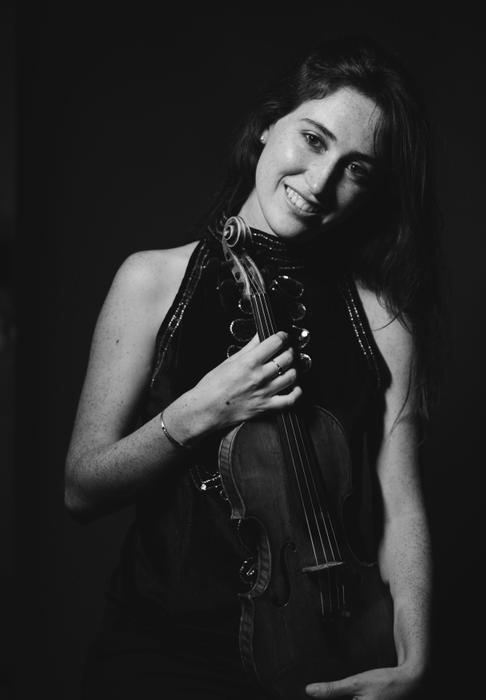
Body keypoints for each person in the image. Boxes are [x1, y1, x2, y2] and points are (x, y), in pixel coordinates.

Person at [65, 34, 440, 700]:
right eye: (314, 140)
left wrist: (413, 657)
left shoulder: (384, 321)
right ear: (269, 125)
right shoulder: (150, 281)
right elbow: (82, 488)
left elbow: (400, 504)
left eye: (356, 169)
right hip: (159, 658)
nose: (320, 183)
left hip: (326, 650)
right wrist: (199, 410)